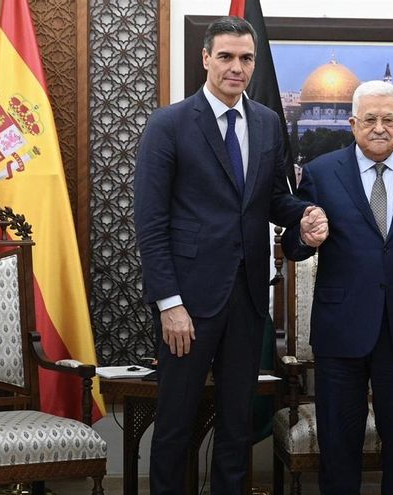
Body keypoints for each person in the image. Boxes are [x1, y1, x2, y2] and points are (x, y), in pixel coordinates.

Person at [134, 16, 327, 495]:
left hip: (246, 300)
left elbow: (273, 200)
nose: (236, 67)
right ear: (206, 59)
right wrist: (169, 304)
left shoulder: (265, 123)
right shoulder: (169, 124)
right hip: (188, 306)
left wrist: (303, 215)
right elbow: (151, 225)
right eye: (226, 56)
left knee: (236, 426)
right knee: (177, 423)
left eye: (245, 58)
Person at [282, 80, 393, 495]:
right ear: (352, 123)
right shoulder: (322, 172)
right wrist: (307, 236)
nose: (380, 128)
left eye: (389, 119)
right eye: (371, 120)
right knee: (339, 446)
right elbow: (293, 244)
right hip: (341, 330)